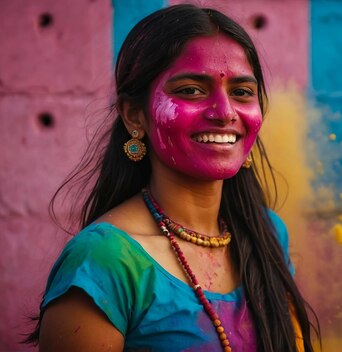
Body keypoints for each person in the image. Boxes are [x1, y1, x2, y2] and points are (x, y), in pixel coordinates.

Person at [24, 4, 318, 352]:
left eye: (241, 92)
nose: (224, 113)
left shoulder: (267, 233)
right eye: (192, 90)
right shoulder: (105, 261)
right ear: (134, 115)